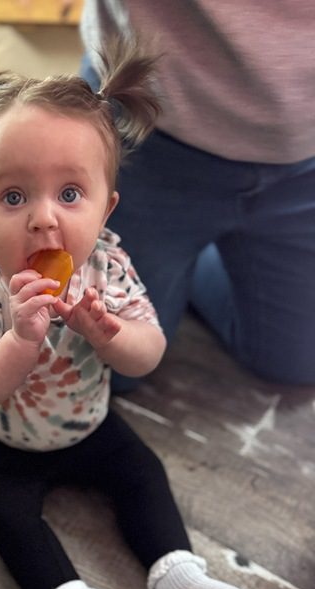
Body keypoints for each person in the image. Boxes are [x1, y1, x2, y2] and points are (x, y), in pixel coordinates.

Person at [0, 39, 270, 589]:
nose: (44, 218)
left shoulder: (106, 268)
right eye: (13, 196)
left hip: (91, 423)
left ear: (105, 207)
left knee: (143, 472)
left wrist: (108, 333)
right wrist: (18, 342)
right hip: (6, 443)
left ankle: (178, 577)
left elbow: (150, 351)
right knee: (3, 514)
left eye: (69, 193)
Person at [78, 0, 315, 393]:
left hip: (302, 161)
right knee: (111, 371)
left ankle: (185, 260)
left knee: (298, 361)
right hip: (143, 134)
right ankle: (176, 261)